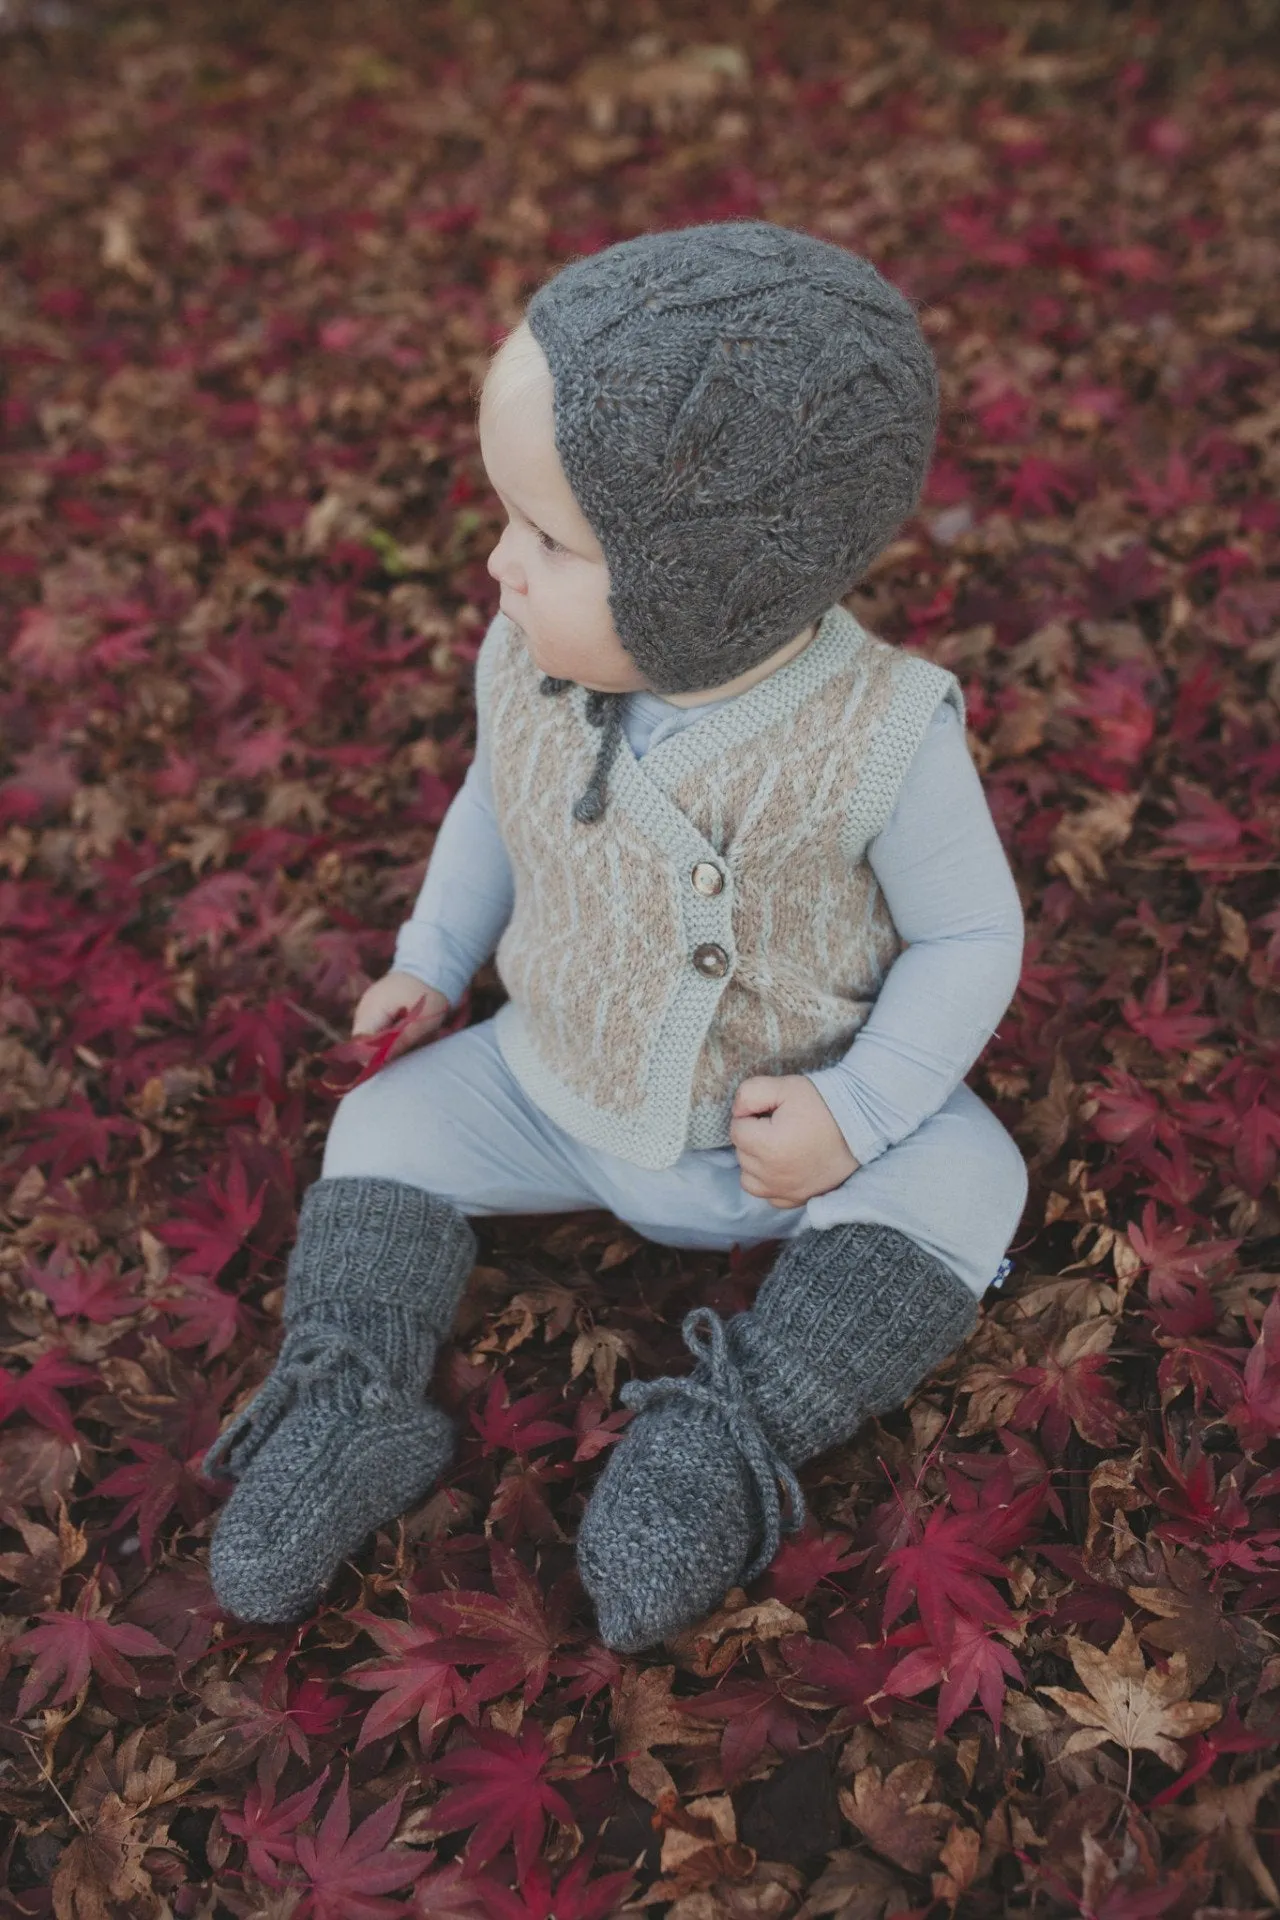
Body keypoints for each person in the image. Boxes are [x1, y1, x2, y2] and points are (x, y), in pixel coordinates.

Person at [202, 220, 1028, 1652]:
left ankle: (730, 1432)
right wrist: (433, 962)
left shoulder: (882, 734)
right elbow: (492, 805)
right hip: (552, 1075)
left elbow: (971, 936)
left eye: (547, 539)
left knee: (971, 1182)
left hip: (789, 1120)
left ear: (708, 580)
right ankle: (349, 1404)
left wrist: (859, 1111)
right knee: (380, 1137)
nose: (497, 568)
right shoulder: (526, 660)